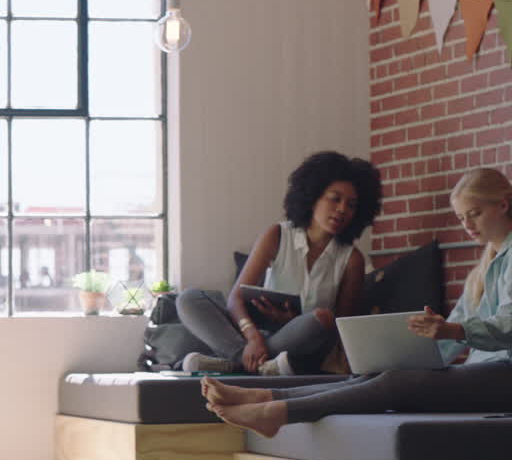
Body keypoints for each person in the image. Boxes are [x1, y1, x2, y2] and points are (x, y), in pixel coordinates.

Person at [204, 167, 512, 437]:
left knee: (395, 384)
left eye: (475, 214)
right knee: (377, 375)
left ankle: (277, 414)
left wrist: (452, 331)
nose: (467, 225)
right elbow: (449, 338)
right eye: (461, 217)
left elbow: (504, 326)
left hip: (503, 375)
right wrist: (409, 352)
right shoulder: (485, 266)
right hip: (485, 372)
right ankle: (266, 396)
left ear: (503, 204)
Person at [177, 151, 383, 375]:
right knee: (189, 299)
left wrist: (295, 319)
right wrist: (253, 338)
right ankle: (247, 360)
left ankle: (236, 363)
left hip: (302, 340)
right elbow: (235, 298)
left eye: (351, 205)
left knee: (321, 318)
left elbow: (343, 329)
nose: (343, 209)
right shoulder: (277, 234)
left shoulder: (352, 259)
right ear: (313, 197)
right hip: (262, 334)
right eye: (335, 199)